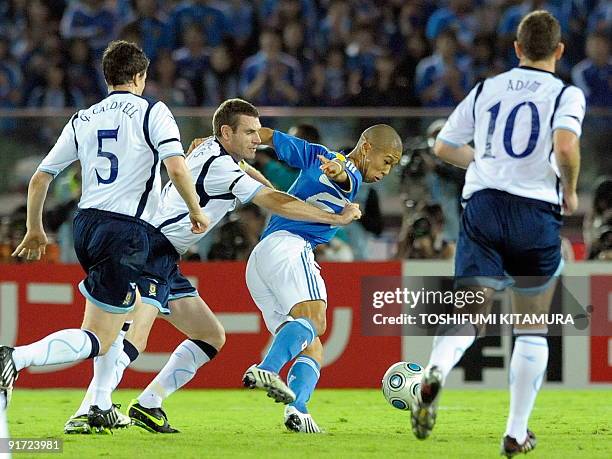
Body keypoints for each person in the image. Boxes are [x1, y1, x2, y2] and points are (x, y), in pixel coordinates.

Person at [63, 99, 361, 434]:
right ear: (226, 132)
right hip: (150, 249)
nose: (256, 138)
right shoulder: (221, 167)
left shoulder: (215, 153)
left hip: (163, 251)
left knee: (210, 336)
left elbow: (264, 189)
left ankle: (149, 404)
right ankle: (90, 408)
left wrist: (258, 178)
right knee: (134, 337)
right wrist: (333, 217)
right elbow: (272, 200)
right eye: (248, 132)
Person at [0, 40, 209, 433]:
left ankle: (96, 405)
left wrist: (34, 228)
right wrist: (196, 210)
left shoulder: (85, 117)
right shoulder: (153, 111)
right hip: (127, 231)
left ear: (107, 76)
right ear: (141, 76)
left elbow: (40, 177)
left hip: (86, 226)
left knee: (115, 318)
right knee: (97, 335)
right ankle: (16, 357)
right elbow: (177, 168)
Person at [409, 11, 585, 457]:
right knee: (531, 325)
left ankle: (434, 369)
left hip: (483, 206)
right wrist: (571, 191)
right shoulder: (566, 93)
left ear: (517, 48)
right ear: (560, 51)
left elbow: (443, 145)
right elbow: (565, 146)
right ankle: (514, 432)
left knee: (468, 310)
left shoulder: (488, 88)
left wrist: (488, 166)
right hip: (535, 210)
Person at [242, 124, 403, 433]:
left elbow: (269, 136)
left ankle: (297, 410)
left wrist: (229, 144)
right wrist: (339, 170)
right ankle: (266, 369)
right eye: (387, 160)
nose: (388, 170)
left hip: (261, 258)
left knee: (312, 345)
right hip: (289, 246)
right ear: (367, 148)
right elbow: (344, 175)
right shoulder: (349, 173)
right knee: (316, 320)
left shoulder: (315, 154)